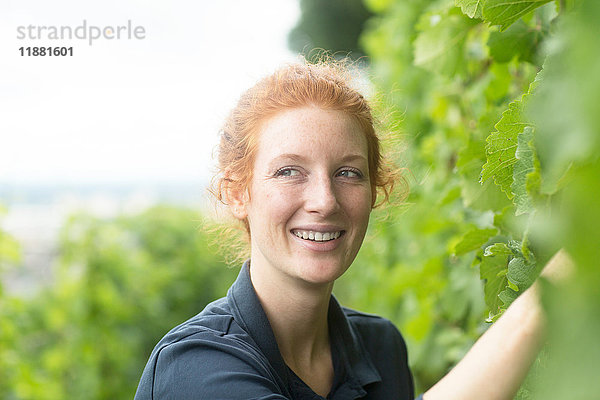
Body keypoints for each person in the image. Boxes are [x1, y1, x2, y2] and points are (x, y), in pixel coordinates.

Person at [134, 60, 570, 400]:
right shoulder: (195, 368)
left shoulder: (382, 349)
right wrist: (555, 289)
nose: (324, 200)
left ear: (376, 190)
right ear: (237, 193)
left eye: (348, 173)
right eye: (289, 171)